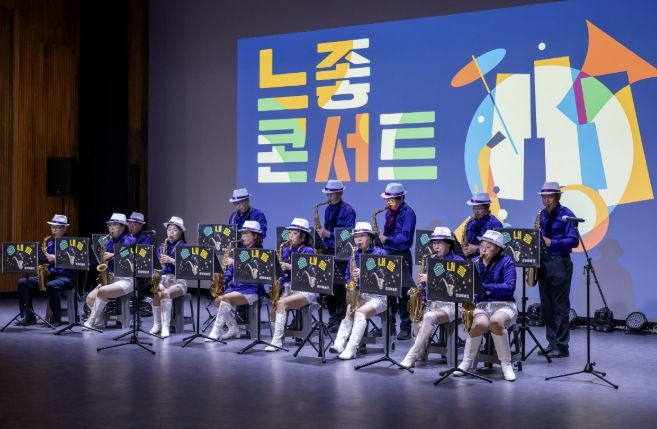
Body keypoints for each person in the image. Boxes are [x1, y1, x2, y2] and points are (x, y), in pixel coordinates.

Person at [455, 230, 517, 381]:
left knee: (496, 321)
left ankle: (506, 364)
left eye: (488, 247)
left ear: (498, 249)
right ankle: (466, 362)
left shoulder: (507, 262)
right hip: (482, 305)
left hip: (504, 304)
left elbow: (509, 287)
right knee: (478, 324)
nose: (483, 250)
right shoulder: (475, 262)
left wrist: (486, 288)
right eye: (482, 246)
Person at [400, 226, 464, 368]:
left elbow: (458, 285)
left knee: (428, 317)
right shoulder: (430, 260)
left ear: (449, 244)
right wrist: (422, 299)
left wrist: (431, 278)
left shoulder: (458, 261)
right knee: (416, 320)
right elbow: (425, 287)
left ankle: (411, 356)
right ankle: (421, 354)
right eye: (434, 243)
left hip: (453, 305)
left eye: (439, 243)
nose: (435, 246)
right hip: (432, 304)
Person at [329, 221, 386, 359]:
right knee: (349, 312)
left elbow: (385, 276)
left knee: (359, 314)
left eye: (362, 236)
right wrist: (350, 284)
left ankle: (351, 349)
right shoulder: (354, 255)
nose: (358, 240)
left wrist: (364, 273)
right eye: (356, 237)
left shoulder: (380, 253)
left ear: (370, 238)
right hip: (360, 295)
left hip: (378, 297)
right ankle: (339, 344)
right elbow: (347, 276)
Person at [536, 181, 579, 358]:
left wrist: (551, 242)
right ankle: (552, 343)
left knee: (560, 306)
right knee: (547, 306)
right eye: (544, 197)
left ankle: (562, 346)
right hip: (543, 262)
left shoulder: (567, 214)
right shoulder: (542, 215)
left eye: (550, 197)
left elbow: (574, 241)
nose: (546, 200)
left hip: (559, 262)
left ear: (557, 197)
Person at [14, 214, 76, 327]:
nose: (53, 230)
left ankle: (56, 319)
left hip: (66, 277)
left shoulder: (71, 243)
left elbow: (74, 261)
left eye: (56, 227)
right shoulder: (49, 242)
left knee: (51, 285)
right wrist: (42, 262)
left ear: (64, 229)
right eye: (52, 227)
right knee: (22, 282)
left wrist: (55, 258)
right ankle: (29, 317)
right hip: (50, 275)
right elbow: (46, 261)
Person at [206, 220, 263, 341]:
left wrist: (236, 262)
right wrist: (223, 279)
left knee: (225, 298)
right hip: (237, 287)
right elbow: (231, 270)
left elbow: (255, 271)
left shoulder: (260, 252)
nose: (243, 236)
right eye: (242, 233)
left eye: (246, 233)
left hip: (251, 289)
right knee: (217, 300)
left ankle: (216, 331)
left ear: (255, 236)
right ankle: (233, 328)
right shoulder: (240, 251)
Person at [265, 218, 315, 352]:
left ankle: (276, 342)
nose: (290, 236)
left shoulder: (308, 251)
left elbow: (309, 271)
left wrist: (291, 267)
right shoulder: (285, 249)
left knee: (281, 304)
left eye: (294, 233)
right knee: (273, 309)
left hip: (305, 289)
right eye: (289, 233)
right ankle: (279, 337)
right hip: (288, 287)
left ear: (303, 236)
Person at [84, 213, 137, 330]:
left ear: (123, 227)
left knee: (102, 291)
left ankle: (90, 321)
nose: (111, 227)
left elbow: (127, 252)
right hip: (111, 277)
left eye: (115, 225)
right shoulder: (108, 241)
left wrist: (113, 255)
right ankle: (100, 320)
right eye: (110, 225)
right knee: (90, 298)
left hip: (126, 279)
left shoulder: (130, 240)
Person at [378, 182, 416, 340]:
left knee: (404, 294)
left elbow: (405, 238)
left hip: (401, 255)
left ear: (401, 198)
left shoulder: (408, 213)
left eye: (391, 200)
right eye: (387, 200)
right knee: (388, 292)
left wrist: (386, 239)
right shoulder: (389, 212)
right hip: (389, 254)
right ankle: (389, 326)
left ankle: (406, 328)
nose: (388, 203)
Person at [317, 179, 356, 332]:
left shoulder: (348, 210)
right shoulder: (327, 209)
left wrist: (329, 234)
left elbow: (348, 234)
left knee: (339, 286)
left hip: (341, 252)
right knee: (328, 285)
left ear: (340, 193)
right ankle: (332, 316)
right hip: (328, 250)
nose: (328, 197)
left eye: (331, 194)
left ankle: (340, 317)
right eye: (327, 194)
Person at [148, 216, 188, 338]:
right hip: (163, 279)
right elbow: (155, 266)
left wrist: (172, 261)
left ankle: (165, 326)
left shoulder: (184, 247)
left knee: (165, 293)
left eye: (175, 230)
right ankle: (157, 324)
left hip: (178, 281)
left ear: (180, 232)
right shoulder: (161, 247)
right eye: (169, 229)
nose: (171, 232)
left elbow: (187, 267)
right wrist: (156, 277)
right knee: (156, 292)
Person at [461, 192, 503, 260]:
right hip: (469, 261)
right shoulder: (470, 223)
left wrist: (476, 249)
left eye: (479, 208)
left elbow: (498, 249)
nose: (476, 211)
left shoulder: (495, 224)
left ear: (487, 207)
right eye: (474, 207)